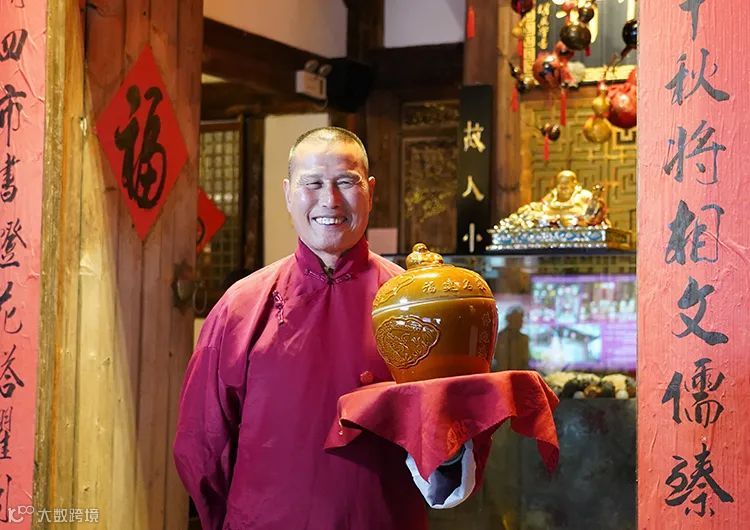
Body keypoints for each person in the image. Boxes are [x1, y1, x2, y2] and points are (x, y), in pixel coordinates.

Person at [173, 127, 481, 530]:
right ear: (288, 193)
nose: (329, 200)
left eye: (346, 182)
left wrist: (450, 450)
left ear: (370, 191)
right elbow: (202, 443)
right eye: (313, 183)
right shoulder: (241, 306)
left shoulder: (416, 304)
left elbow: (445, 437)